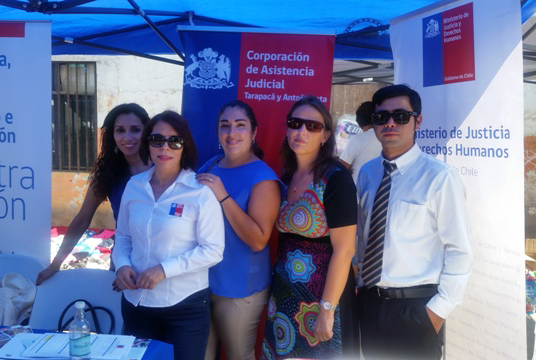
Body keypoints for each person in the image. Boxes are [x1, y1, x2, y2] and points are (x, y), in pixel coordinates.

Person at [356, 84, 473, 360]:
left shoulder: (440, 177)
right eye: (382, 117)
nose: (391, 123)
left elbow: (460, 249)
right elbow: (363, 236)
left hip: (416, 309)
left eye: (401, 115)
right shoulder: (368, 173)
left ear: (417, 120)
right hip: (369, 304)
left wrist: (437, 311)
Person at [112, 111, 225, 360]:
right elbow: (123, 237)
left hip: (184, 308)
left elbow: (213, 249)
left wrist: (164, 270)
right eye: (157, 140)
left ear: (184, 146)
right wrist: (121, 266)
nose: (165, 147)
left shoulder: (200, 192)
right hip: (136, 304)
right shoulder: (134, 186)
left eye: (174, 141)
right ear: (148, 145)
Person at [262, 96, 357, 359]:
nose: (301, 131)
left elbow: (345, 250)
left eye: (312, 126)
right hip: (284, 294)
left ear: (326, 135)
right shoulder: (287, 175)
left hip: (321, 299)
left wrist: (326, 310)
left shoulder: (336, 179)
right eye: (295, 124)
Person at [196, 100, 281, 360]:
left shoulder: (263, 178)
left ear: (254, 133)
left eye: (240, 125)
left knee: (238, 356)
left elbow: (258, 241)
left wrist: (223, 196)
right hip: (200, 283)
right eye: (225, 126)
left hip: (239, 289)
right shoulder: (210, 166)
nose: (231, 132)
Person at [36, 103, 151, 285]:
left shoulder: (163, 167)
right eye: (120, 130)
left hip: (160, 261)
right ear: (112, 136)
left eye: (135, 130)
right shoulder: (107, 172)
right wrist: (55, 264)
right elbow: (82, 219)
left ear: (147, 131)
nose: (128, 137)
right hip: (123, 261)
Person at [339, 101, 382, 184]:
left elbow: (340, 169)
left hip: (358, 193)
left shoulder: (357, 139)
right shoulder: (390, 138)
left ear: (359, 124)